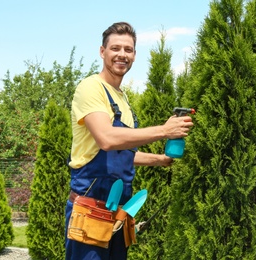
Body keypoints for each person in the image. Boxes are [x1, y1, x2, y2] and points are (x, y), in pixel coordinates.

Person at [64, 22, 193, 260]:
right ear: (102, 52)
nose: (122, 54)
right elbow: (106, 139)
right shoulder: (91, 88)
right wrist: (164, 131)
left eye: (128, 49)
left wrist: (161, 160)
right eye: (115, 48)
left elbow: (121, 155)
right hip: (90, 213)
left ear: (134, 55)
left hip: (119, 213)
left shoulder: (122, 98)